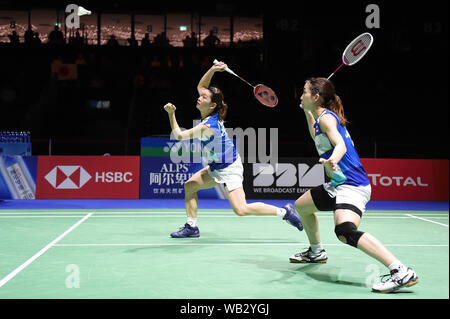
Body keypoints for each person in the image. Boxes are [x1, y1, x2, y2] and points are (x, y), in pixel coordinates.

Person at [290, 77, 418, 293]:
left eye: (303, 92)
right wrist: (306, 111)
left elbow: (339, 144)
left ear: (315, 96)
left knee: (345, 231)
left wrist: (334, 159)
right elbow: (316, 138)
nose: (300, 95)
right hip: (337, 183)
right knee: (302, 206)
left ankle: (400, 270)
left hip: (352, 184)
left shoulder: (327, 119)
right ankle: (316, 251)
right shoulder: (318, 118)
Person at [163, 61, 303, 238]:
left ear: (212, 105)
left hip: (229, 168)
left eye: (204, 98)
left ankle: (285, 212)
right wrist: (213, 69)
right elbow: (202, 85)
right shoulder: (210, 113)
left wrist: (171, 114)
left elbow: (179, 135)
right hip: (217, 166)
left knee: (241, 209)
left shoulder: (208, 126)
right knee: (190, 186)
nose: (199, 97)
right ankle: (192, 227)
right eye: (201, 96)